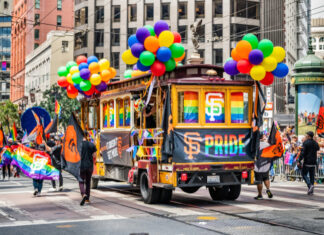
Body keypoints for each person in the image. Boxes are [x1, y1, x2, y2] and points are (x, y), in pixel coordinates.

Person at [79, 131, 97, 206]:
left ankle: (83, 194)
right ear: (87, 136)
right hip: (89, 166)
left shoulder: (78, 145)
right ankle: (87, 199)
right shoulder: (91, 144)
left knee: (81, 181)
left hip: (81, 166)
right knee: (88, 182)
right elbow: (95, 155)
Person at [254, 133, 273, 200]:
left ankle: (260, 194)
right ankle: (268, 189)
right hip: (266, 164)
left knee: (259, 181)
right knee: (266, 178)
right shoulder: (267, 144)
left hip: (258, 166)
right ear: (262, 137)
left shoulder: (255, 145)